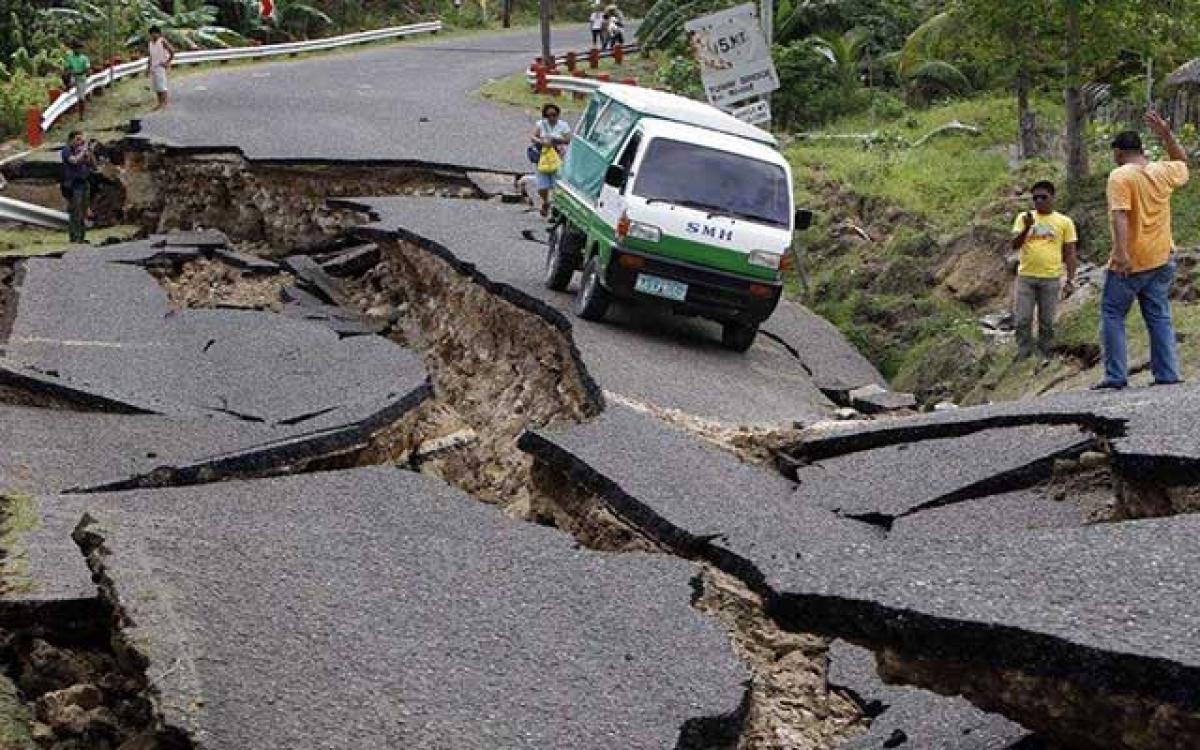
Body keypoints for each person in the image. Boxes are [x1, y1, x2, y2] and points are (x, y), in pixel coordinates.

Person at [1093, 112, 1190, 390]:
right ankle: (1167, 373)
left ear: (1119, 152)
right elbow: (1182, 163)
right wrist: (1167, 135)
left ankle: (1115, 376)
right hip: (1162, 257)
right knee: (1158, 314)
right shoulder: (1162, 170)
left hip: (1133, 260)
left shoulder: (1120, 176)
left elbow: (1120, 215)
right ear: (1141, 150)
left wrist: (1121, 254)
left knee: (1112, 313)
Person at [1010, 180, 1077, 361]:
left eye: (1043, 197)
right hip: (1026, 277)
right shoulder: (1023, 218)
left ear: (1052, 198)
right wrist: (1026, 228)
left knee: (1047, 321)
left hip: (1051, 278)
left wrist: (1070, 279)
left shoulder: (1064, 222)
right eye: (1035, 198)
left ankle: (1045, 353)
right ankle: (1024, 353)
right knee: (1023, 319)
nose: (1039, 201)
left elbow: (1070, 253)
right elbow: (1014, 245)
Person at [531, 103, 571, 218]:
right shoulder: (540, 124)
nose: (551, 118)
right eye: (548, 115)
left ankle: (555, 210)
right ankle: (546, 202)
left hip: (558, 159)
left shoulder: (563, 125)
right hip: (544, 158)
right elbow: (533, 137)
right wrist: (542, 142)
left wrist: (555, 140)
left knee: (556, 186)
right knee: (542, 186)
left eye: (554, 115)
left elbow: (568, 139)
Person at [61, 130, 96, 244]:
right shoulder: (67, 150)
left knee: (84, 210)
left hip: (84, 182)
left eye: (81, 139)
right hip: (74, 185)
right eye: (77, 139)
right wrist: (83, 151)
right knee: (76, 212)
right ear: (71, 140)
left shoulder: (81, 151)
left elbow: (93, 165)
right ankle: (74, 237)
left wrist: (89, 153)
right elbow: (74, 161)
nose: (80, 142)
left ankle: (81, 236)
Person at [148, 26, 176, 111]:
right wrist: (148, 66)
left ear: (158, 33)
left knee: (162, 85)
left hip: (160, 66)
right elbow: (150, 56)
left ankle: (165, 103)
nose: (153, 35)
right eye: (151, 34)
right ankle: (159, 102)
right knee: (156, 86)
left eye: (154, 33)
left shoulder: (162, 41)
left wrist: (167, 62)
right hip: (153, 66)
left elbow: (172, 51)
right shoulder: (150, 43)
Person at [63, 42, 90, 121]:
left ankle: (81, 115)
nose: (77, 49)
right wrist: (68, 72)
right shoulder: (70, 58)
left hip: (81, 78)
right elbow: (67, 67)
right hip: (73, 77)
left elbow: (87, 69)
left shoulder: (84, 58)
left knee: (81, 98)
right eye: (75, 48)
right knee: (69, 81)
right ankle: (67, 88)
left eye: (78, 48)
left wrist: (81, 72)